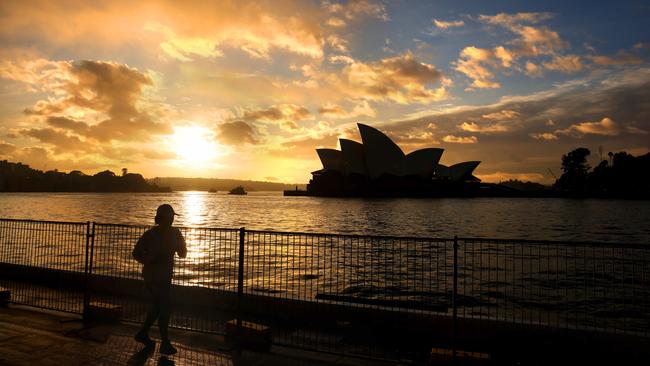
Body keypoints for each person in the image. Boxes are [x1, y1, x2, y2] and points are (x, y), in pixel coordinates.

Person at [132, 204, 187, 355]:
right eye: (170, 218)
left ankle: (143, 333)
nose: (171, 221)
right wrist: (151, 260)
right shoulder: (161, 234)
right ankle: (165, 342)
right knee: (165, 307)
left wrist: (148, 260)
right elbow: (136, 253)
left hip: (158, 276)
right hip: (157, 278)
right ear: (168, 218)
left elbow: (136, 253)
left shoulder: (155, 234)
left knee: (158, 307)